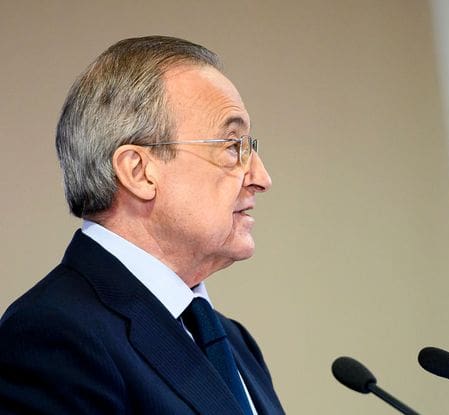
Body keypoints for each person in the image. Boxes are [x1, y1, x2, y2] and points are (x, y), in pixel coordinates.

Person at [0, 36, 284, 415]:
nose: (261, 177)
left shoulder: (234, 341)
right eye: (232, 146)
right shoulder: (53, 336)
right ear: (138, 171)